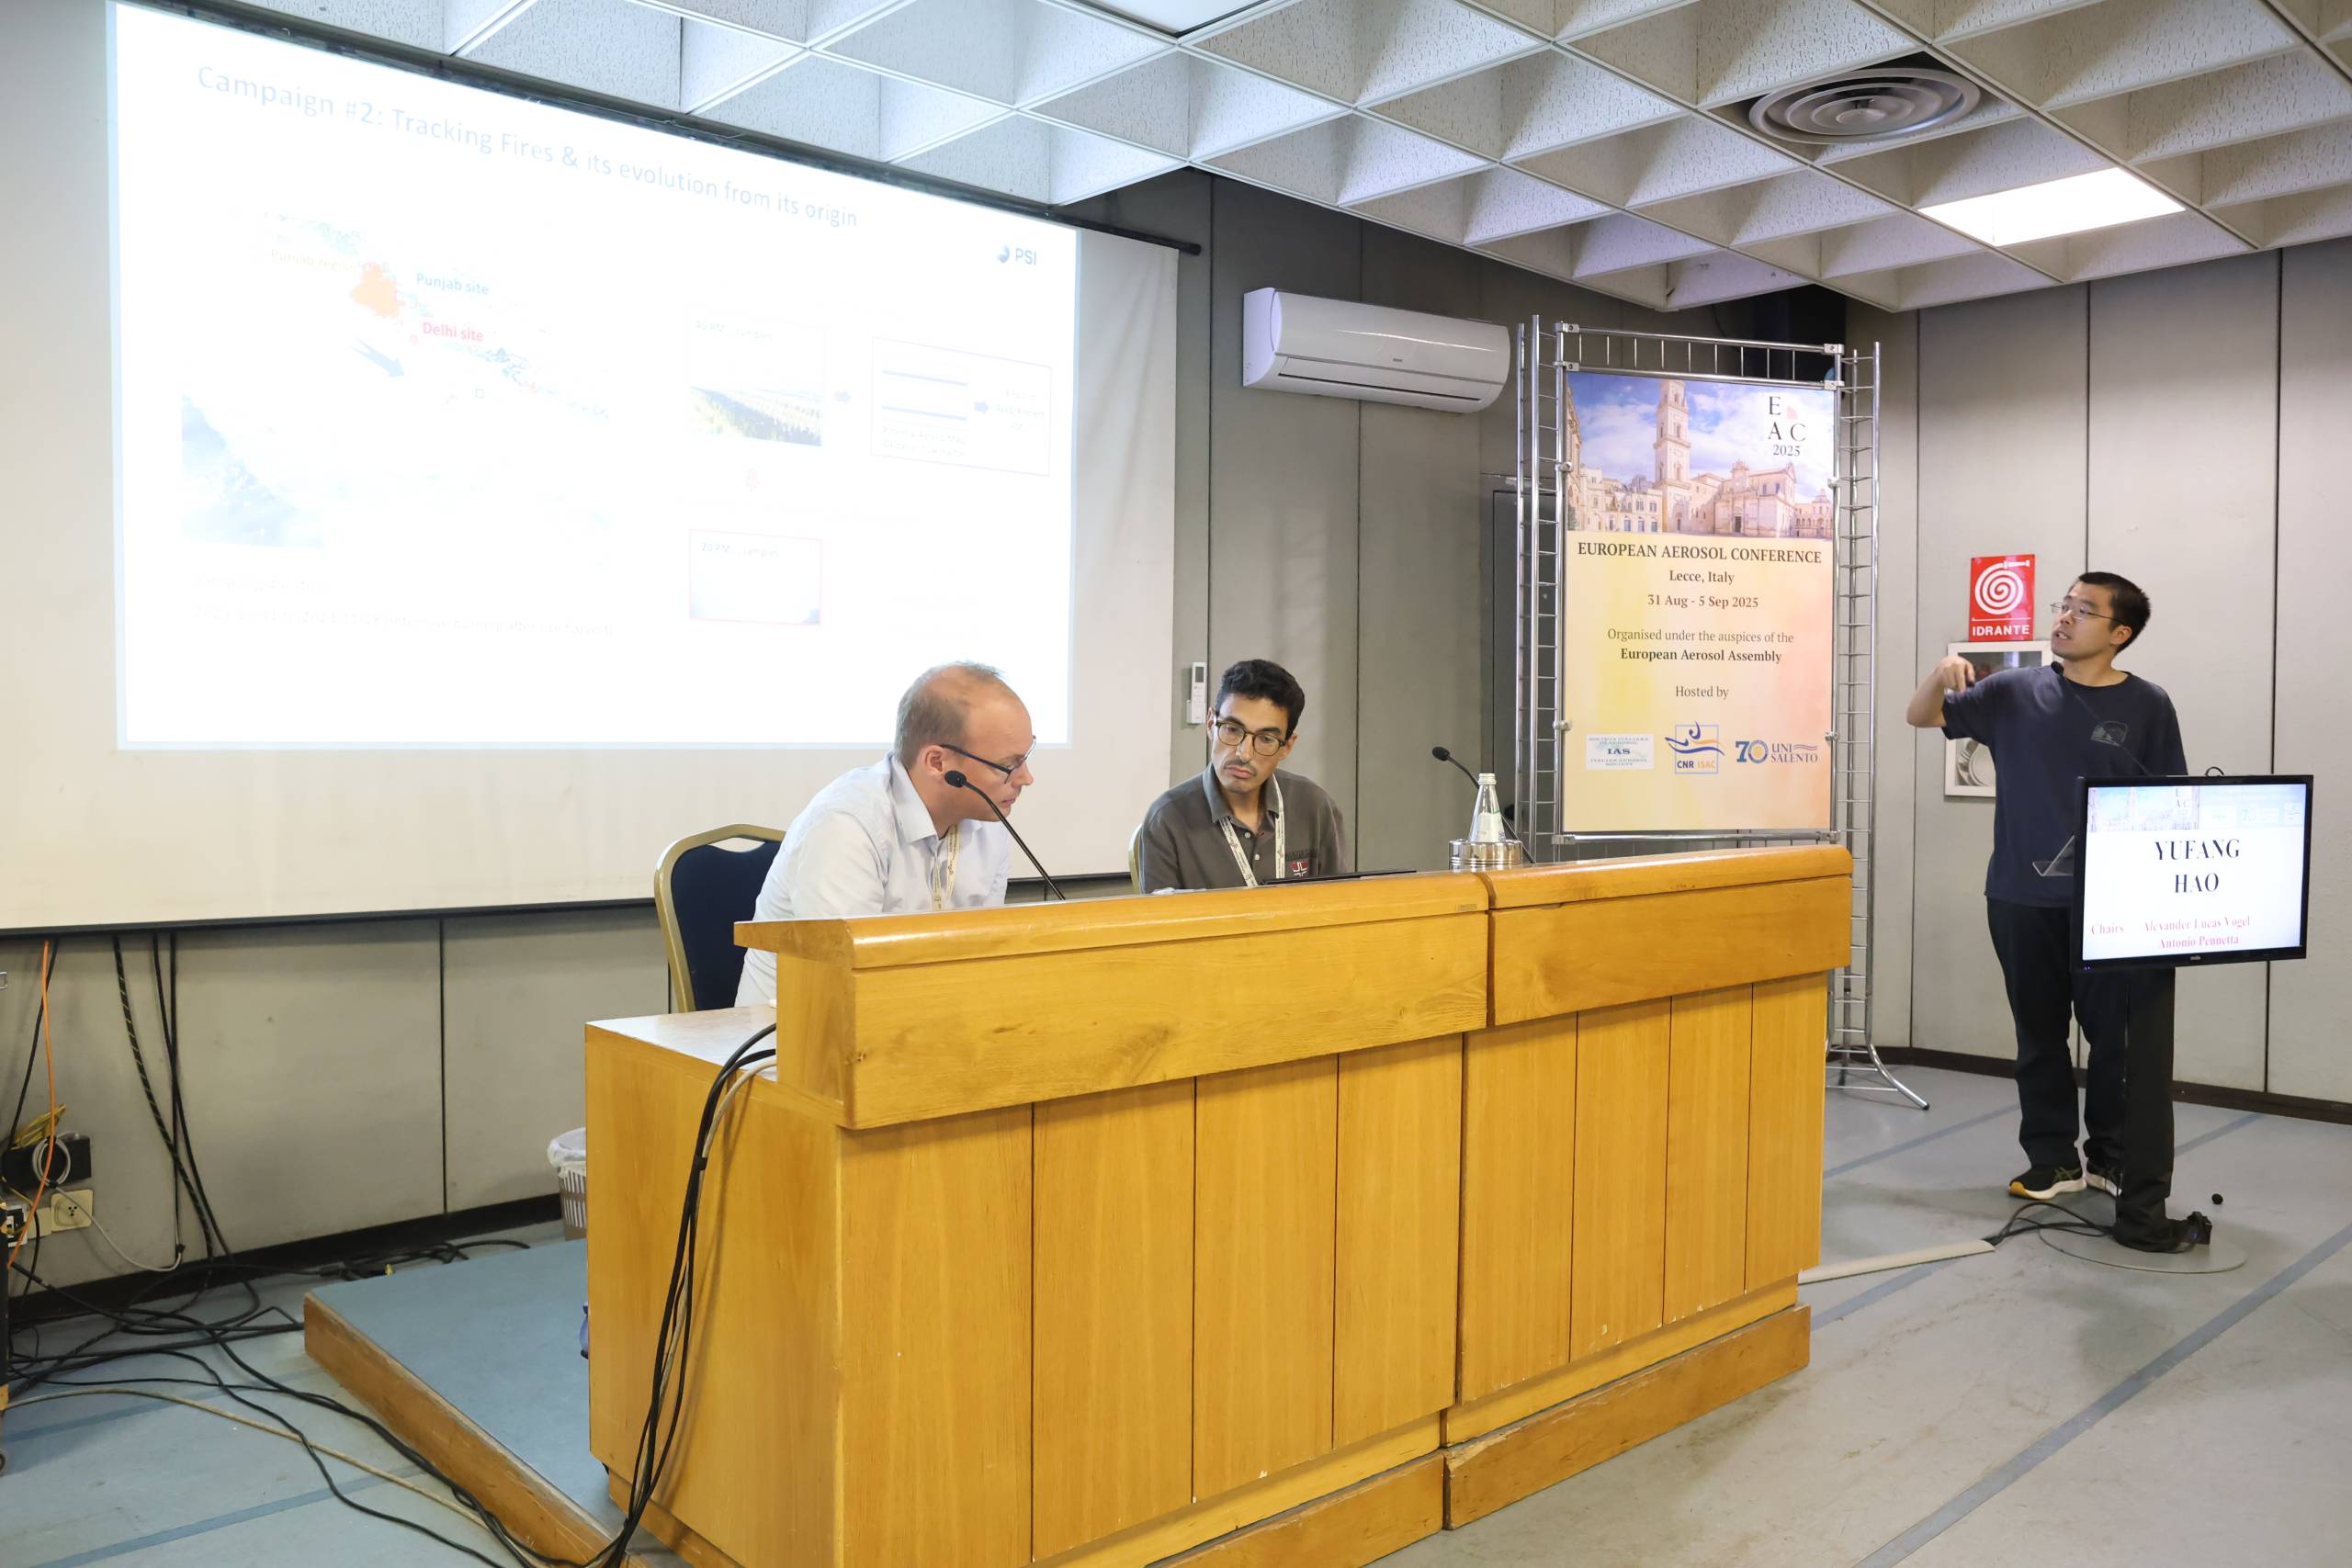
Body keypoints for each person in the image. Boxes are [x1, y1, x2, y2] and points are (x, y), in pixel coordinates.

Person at [1905, 571, 2207, 1252]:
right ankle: (2052, 1159)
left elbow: (2173, 799)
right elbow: (1921, 717)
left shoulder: (2149, 704)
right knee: (2038, 1035)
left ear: (2119, 632)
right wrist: (1938, 676)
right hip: (2019, 894)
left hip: (2114, 905)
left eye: (2084, 610)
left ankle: (2110, 1157)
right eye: (2064, 605)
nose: (2065, 617)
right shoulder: (2014, 691)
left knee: (2115, 1041)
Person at [735, 662, 1034, 1005]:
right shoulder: (845, 826)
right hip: (791, 1029)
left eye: (1026, 758)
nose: (1026, 778)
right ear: (937, 763)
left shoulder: (988, 824)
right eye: (1008, 765)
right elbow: (844, 982)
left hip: (923, 1020)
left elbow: (984, 960)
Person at [1137, 659, 1348, 893]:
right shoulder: (1167, 819)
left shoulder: (1315, 807)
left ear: (1287, 746)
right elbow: (1161, 916)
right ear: (1210, 723)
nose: (1244, 753)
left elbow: (1339, 904)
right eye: (1232, 729)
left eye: (1266, 739)